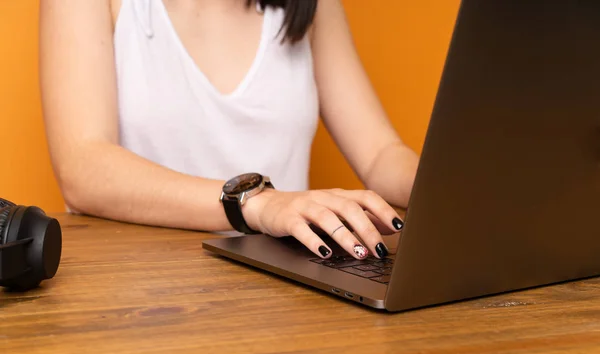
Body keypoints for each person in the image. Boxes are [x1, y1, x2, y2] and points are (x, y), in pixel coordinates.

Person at [39, 0, 420, 261]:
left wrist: (454, 183)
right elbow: (83, 165)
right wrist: (255, 203)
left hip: (287, 293)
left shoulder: (310, 7)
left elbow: (380, 154)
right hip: (141, 299)